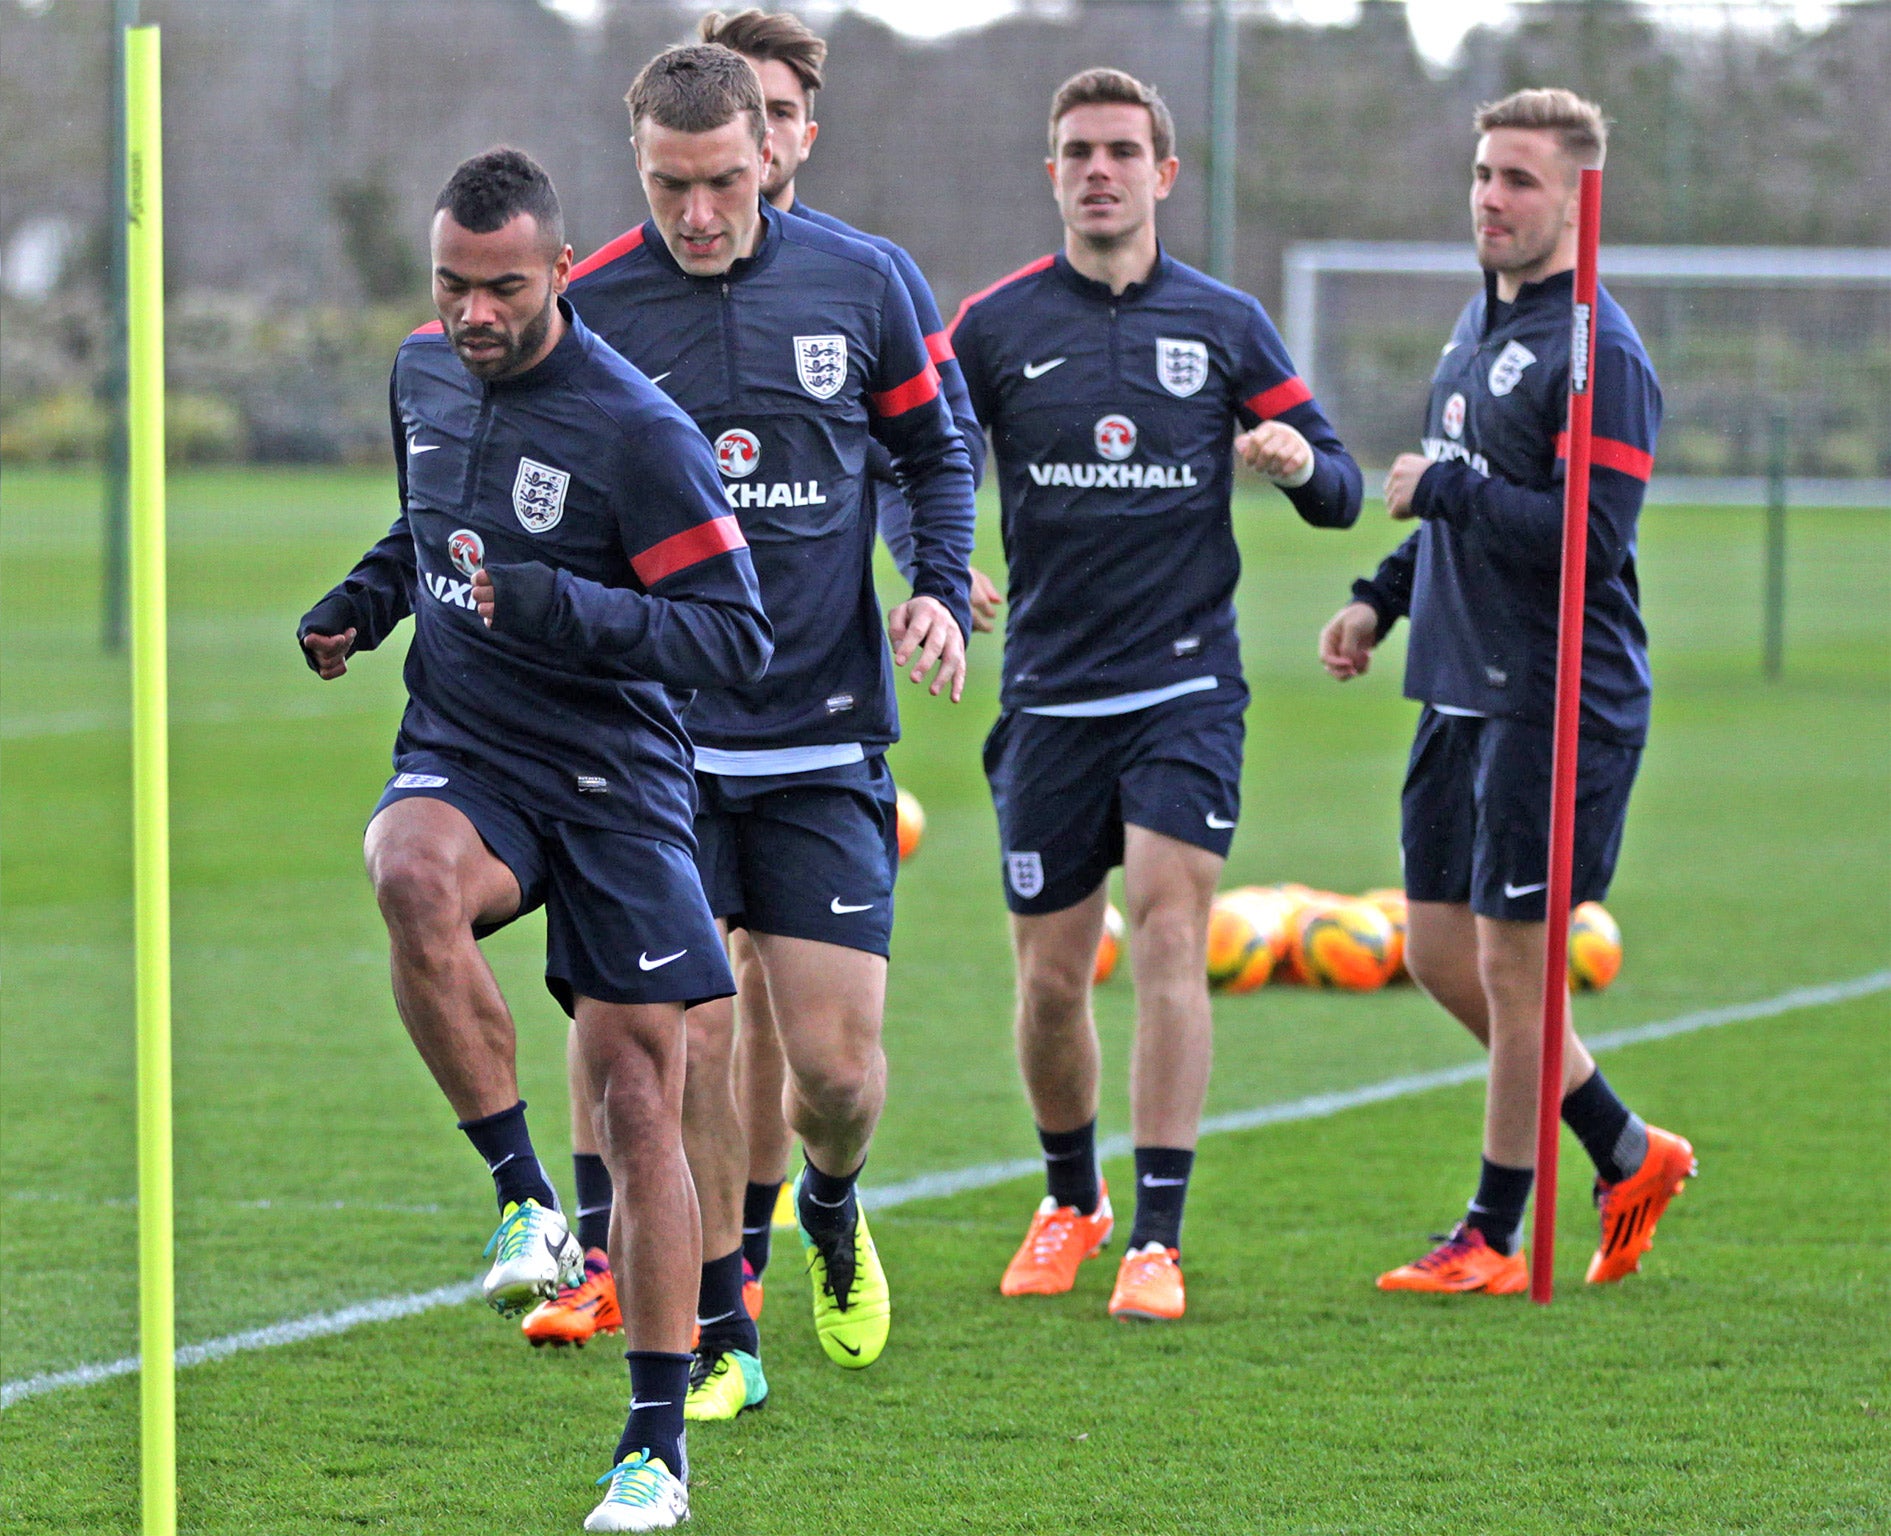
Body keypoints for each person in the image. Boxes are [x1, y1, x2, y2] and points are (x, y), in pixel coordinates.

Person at [298, 148, 769, 1530]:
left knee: (636, 1098)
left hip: (617, 777)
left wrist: (562, 607)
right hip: (470, 747)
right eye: (450, 283)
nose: (471, 313)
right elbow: (432, 524)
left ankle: (653, 1447)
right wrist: (365, 602)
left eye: (501, 287)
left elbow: (734, 637)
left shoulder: (635, 431)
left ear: (561, 270)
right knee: (405, 871)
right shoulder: (422, 372)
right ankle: (521, 1202)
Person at [523, 10, 997, 1355]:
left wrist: (933, 583)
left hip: (820, 730)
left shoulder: (863, 281)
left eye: (722, 180)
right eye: (668, 184)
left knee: (837, 1073)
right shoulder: (594, 307)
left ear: (770, 151)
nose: (697, 209)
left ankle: (832, 1207)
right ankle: (719, 1336)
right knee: (692, 1042)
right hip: (654, 745)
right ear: (637, 163)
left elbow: (934, 449)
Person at [950, 68, 1363, 1322]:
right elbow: (907, 451)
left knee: (1174, 930)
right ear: (1053, 173)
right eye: (1077, 150)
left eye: (1123, 150)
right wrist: (934, 559)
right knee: (1050, 978)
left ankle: (1157, 1238)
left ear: (1164, 174)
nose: (1099, 170)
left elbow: (1342, 483)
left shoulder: (1226, 324)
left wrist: (1295, 463)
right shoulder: (995, 324)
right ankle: (1071, 1199)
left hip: (1185, 684)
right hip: (1048, 694)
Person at [1317, 88, 1693, 1296]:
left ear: (1575, 199)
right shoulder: (1476, 328)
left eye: (1519, 180)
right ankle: (1627, 1149)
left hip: (1554, 694)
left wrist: (1441, 495)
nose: (1489, 197)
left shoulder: (1602, 351)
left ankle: (1487, 1233)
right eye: (1482, 174)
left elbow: (1587, 538)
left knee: (1515, 970)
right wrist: (1380, 595)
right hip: (1455, 685)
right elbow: (1460, 503)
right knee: (1438, 955)